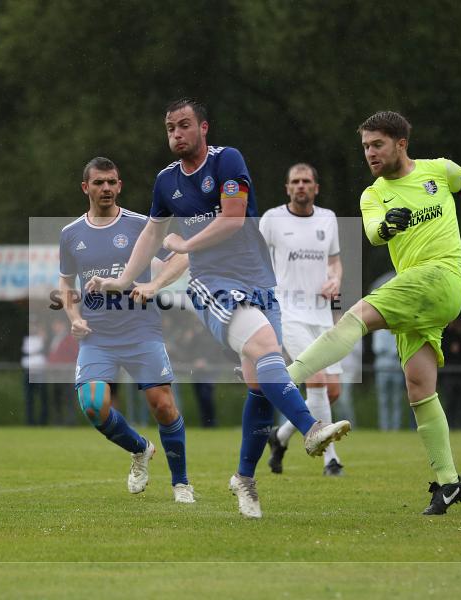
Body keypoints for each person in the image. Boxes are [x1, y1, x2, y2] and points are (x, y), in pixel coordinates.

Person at [87, 100, 348, 518]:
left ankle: (244, 477)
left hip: (260, 283)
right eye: (170, 127)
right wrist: (123, 280)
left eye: (184, 125)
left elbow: (233, 217)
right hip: (213, 284)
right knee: (268, 349)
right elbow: (152, 237)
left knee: (262, 382)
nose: (176, 133)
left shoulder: (227, 161)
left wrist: (185, 244)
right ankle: (311, 428)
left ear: (203, 127)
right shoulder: (165, 182)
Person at [285, 110, 461, 515]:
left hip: (440, 278)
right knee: (420, 389)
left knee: (356, 316)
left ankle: (284, 381)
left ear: (401, 143)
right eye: (365, 146)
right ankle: (449, 481)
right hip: (417, 296)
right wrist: (387, 226)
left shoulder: (439, 170)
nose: (369, 152)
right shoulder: (373, 194)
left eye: (377, 144)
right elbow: (372, 231)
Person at [59, 156, 195, 503]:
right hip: (97, 337)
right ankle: (139, 449)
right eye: (99, 182)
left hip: (140, 331)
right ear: (85, 187)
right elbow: (65, 282)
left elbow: (183, 254)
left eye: (112, 182)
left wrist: (154, 285)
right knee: (92, 405)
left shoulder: (141, 225)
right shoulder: (71, 234)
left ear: (119, 185)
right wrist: (74, 317)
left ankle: (181, 483)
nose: (106, 188)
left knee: (162, 405)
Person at [259, 163, 346, 476]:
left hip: (321, 316)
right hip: (288, 313)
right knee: (317, 381)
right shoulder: (271, 220)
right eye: (294, 181)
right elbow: (253, 258)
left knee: (331, 391)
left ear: (316, 187)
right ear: (287, 188)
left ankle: (279, 437)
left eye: (306, 181)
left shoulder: (328, 219)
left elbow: (335, 263)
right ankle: (330, 459)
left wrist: (335, 280)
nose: (300, 186)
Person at [373, 328, 404, 430]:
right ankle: (384, 427)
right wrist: (393, 350)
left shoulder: (399, 331)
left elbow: (400, 349)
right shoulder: (379, 332)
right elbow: (377, 348)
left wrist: (389, 350)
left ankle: (396, 428)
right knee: (383, 400)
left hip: (396, 369)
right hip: (382, 370)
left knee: (396, 400)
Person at [21, 321, 49, 426]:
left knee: (42, 399)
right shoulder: (26, 339)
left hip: (39, 372)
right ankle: (30, 422)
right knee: (29, 399)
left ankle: (43, 422)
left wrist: (44, 338)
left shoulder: (42, 338)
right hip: (28, 372)